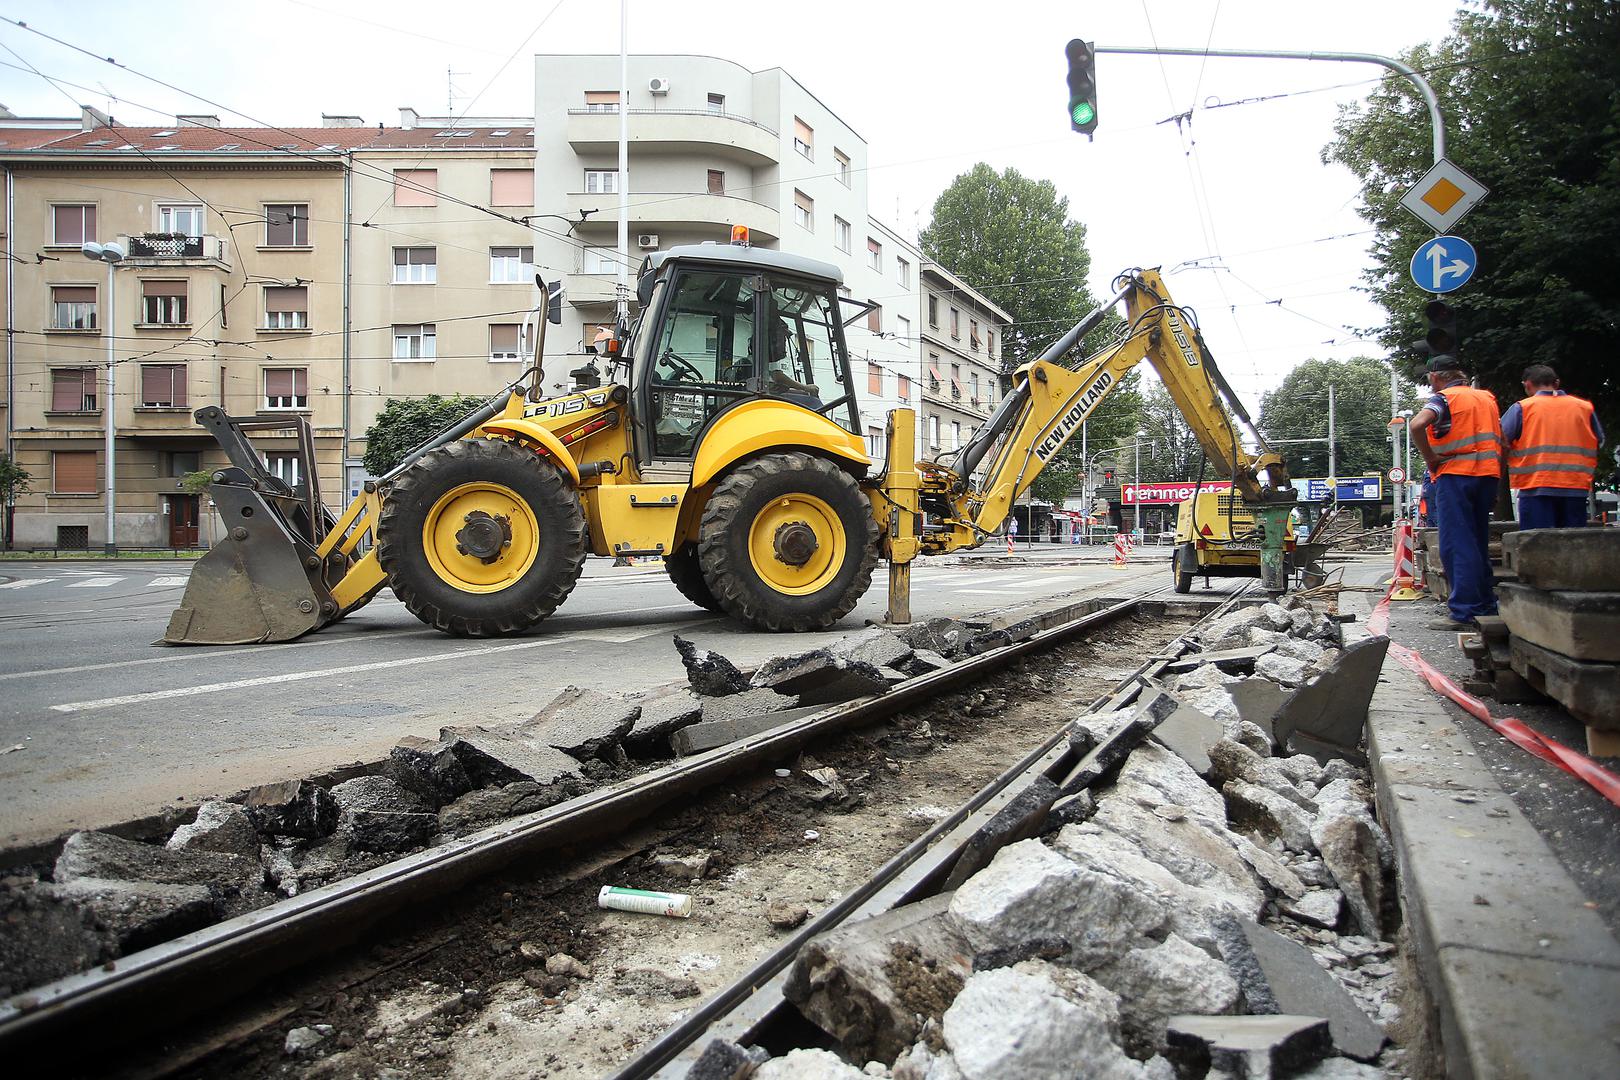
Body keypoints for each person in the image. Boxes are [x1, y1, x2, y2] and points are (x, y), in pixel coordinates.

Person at [1409, 356, 1503, 631]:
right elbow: (1502, 441)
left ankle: (1463, 611)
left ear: (1436, 377)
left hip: (1456, 474)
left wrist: (1430, 457)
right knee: (1477, 541)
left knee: (1457, 543)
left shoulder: (1444, 399)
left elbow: (1417, 425)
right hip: (1487, 475)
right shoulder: (1487, 399)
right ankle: (1485, 605)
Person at [1500, 363, 1603, 530]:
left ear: (1527, 384)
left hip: (1536, 487)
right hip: (1575, 487)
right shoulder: (1584, 408)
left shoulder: (1522, 408)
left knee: (1536, 540)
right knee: (1574, 541)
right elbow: (1598, 441)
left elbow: (1500, 442)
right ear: (1557, 383)